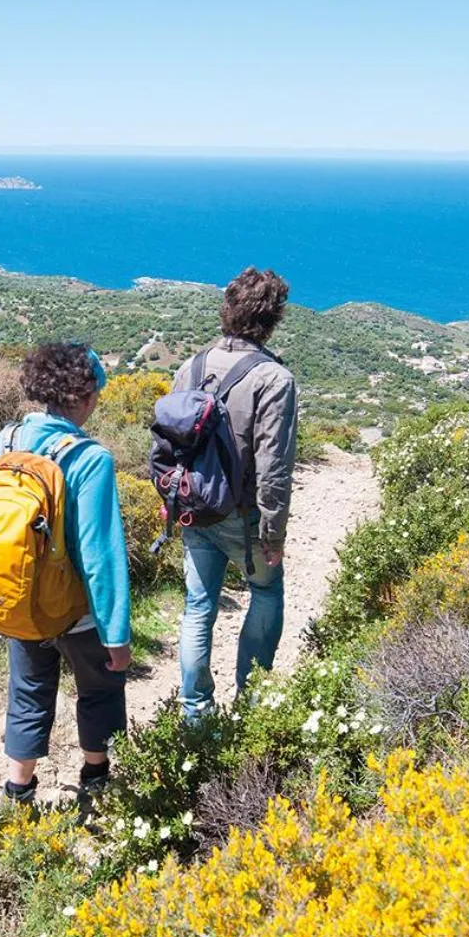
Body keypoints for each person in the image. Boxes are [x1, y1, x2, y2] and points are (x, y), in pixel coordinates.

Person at [0, 343, 132, 805]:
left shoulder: (7, 440)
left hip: (21, 597)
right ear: (86, 397)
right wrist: (117, 635)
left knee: (28, 691)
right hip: (77, 613)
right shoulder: (90, 459)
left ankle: (19, 789)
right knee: (100, 689)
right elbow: (100, 556)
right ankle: (96, 776)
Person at [176, 268, 298, 719]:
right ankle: (252, 705)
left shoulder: (192, 365)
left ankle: (195, 712)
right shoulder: (273, 379)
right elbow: (274, 468)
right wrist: (274, 534)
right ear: (272, 318)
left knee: (197, 605)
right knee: (266, 594)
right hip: (244, 515)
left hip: (194, 508)